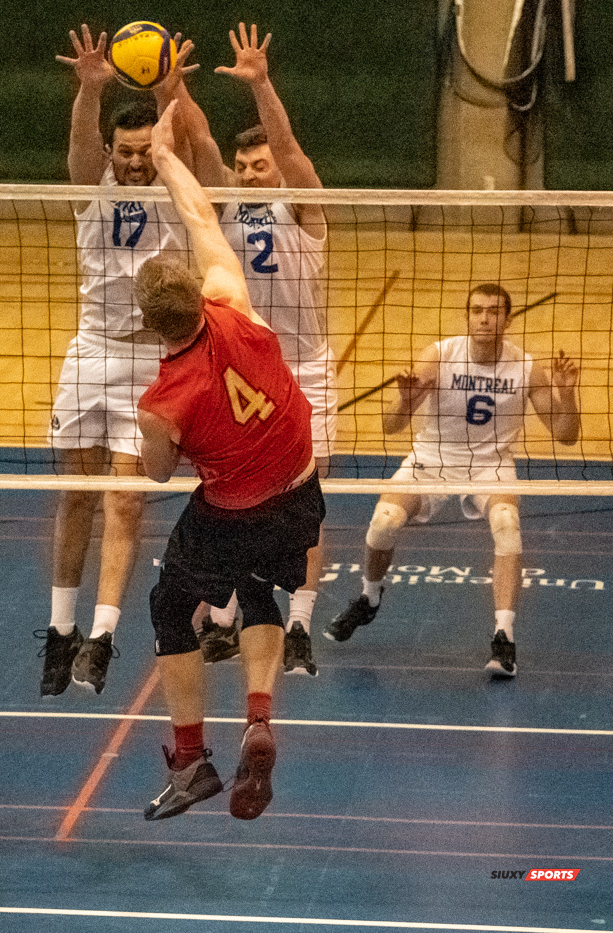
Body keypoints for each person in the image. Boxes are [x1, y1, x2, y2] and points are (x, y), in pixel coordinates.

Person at [133, 101, 323, 822]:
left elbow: (156, 471)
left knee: (169, 605)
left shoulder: (163, 399)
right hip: (302, 483)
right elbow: (201, 219)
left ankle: (190, 760)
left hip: (237, 505)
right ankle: (260, 714)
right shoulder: (232, 301)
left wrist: (155, 427)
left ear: (153, 324)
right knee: (259, 588)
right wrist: (163, 154)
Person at [39, 26, 219, 697]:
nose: (136, 161)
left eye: (146, 150)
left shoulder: (178, 189)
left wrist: (176, 90)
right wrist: (90, 90)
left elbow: (204, 154)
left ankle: (103, 635)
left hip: (151, 363)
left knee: (126, 501)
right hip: (91, 353)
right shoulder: (94, 184)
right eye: (127, 151)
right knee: (75, 494)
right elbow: (82, 145)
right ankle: (59, 632)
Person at [176, 25, 335, 678]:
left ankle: (297, 624)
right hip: (245, 376)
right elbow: (202, 144)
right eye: (243, 168)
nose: (247, 172)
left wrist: (263, 84)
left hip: (306, 371)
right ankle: (223, 613)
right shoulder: (227, 212)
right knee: (233, 497)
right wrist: (174, 87)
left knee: (305, 505)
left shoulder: (303, 209)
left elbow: (291, 146)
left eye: (257, 165)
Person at [325, 284, 580, 678]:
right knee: (383, 521)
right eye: (476, 310)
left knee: (507, 527)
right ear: (467, 316)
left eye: (493, 311)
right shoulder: (441, 356)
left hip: (491, 466)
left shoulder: (526, 368)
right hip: (432, 459)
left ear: (507, 319)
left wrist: (568, 395)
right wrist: (406, 401)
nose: (484, 318)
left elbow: (565, 434)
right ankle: (369, 598)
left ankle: (503, 637)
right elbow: (391, 427)